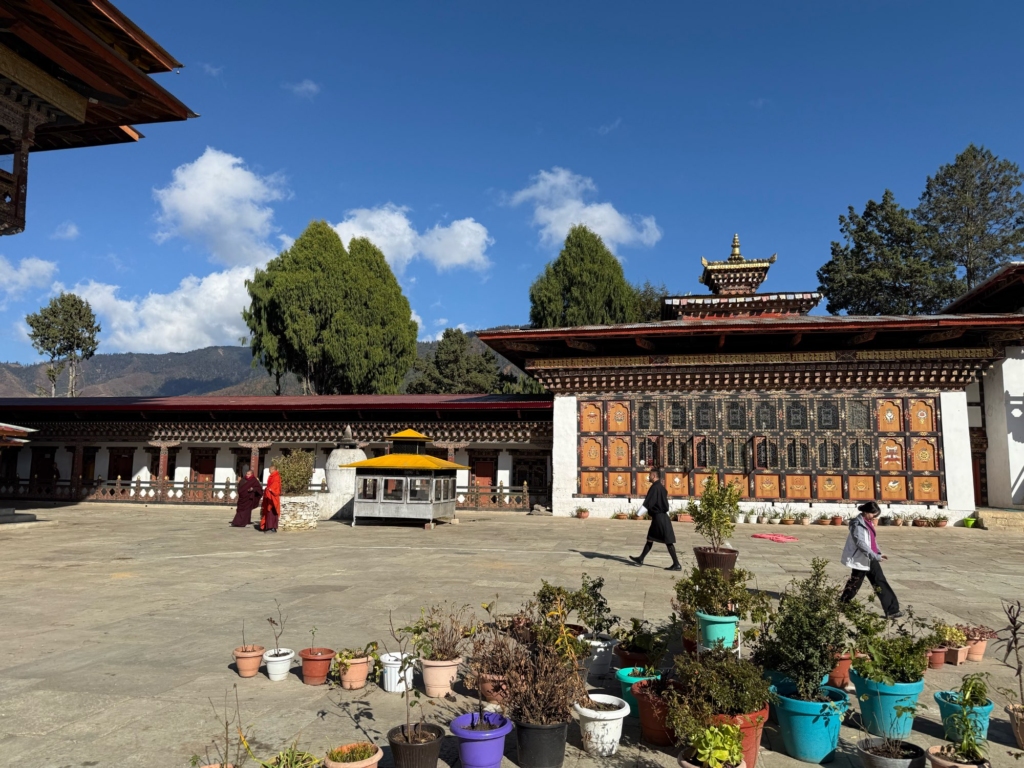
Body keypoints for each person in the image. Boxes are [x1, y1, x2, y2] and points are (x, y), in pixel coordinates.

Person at [840, 501, 902, 618]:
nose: (875, 517)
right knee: (855, 583)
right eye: (873, 514)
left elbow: (872, 540)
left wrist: (878, 552)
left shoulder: (868, 522)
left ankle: (892, 610)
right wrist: (875, 556)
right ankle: (843, 603)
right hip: (861, 558)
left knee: (879, 581)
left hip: (870, 557)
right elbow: (861, 543)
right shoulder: (857, 524)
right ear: (866, 512)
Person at [629, 467, 682, 571]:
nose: (649, 476)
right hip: (662, 516)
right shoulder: (661, 488)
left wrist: (638, 514)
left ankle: (676, 564)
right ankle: (641, 558)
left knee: (668, 541)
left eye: (650, 475)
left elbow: (648, 502)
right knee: (650, 538)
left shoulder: (654, 487)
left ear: (653, 476)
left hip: (659, 518)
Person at [260, 465, 281, 533]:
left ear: (272, 469)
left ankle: (272, 527)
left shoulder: (276, 477)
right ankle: (269, 526)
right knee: (269, 513)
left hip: (273, 498)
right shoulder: (271, 476)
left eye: (270, 470)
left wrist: (270, 489)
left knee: (272, 512)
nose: (269, 471)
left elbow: (276, 487)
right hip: (269, 497)